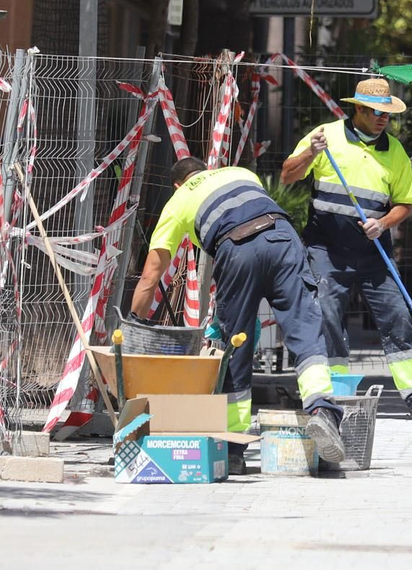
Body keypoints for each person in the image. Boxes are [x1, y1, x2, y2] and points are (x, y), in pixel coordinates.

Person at [130, 157, 345, 464]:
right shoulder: (238, 173)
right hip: (283, 237)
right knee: (304, 327)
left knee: (236, 344)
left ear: (177, 185)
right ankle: (322, 407)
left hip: (236, 247)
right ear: (207, 170)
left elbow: (152, 274)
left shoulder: (179, 200)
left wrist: (135, 323)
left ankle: (233, 449)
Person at [279, 77, 412, 419]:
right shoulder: (326, 137)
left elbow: (404, 203)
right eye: (375, 111)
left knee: (397, 316)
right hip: (325, 248)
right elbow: (287, 175)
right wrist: (311, 152)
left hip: (374, 251)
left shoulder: (395, 152)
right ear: (357, 109)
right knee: (326, 316)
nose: (383, 118)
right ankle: (334, 394)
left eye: (387, 112)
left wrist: (383, 224)